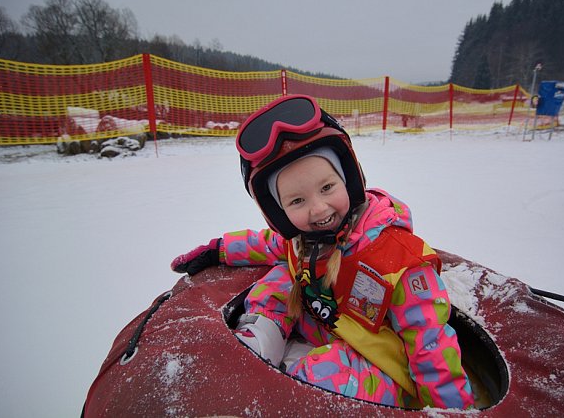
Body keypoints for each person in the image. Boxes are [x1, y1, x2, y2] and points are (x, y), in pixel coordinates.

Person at [171, 94, 475, 409]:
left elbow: (430, 343)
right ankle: (261, 340)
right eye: (297, 201)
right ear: (278, 212)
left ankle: (284, 386)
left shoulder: (398, 261)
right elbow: (264, 244)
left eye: (327, 187)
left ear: (349, 179)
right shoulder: (301, 241)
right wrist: (217, 250)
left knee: (323, 373)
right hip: (326, 329)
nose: (318, 209)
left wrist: (450, 409)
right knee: (280, 276)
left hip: (380, 366)